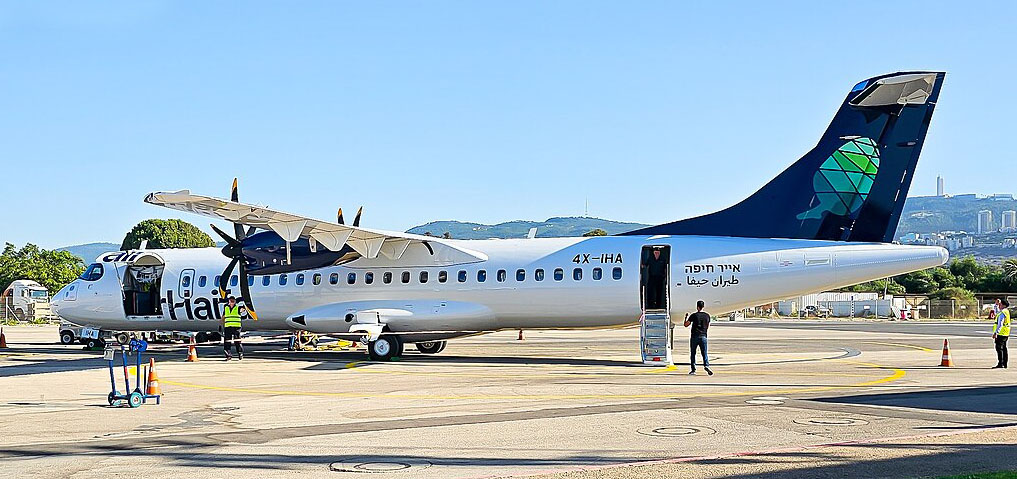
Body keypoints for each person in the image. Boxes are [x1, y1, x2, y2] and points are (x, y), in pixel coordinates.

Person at [684, 300, 713, 375]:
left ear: (697, 307)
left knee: (693, 353)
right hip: (703, 336)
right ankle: (706, 365)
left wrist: (686, 318)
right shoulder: (707, 316)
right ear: (703, 306)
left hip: (695, 336)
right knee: (704, 353)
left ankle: (693, 370)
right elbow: (707, 326)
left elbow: (686, 324)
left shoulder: (694, 315)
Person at [222, 296, 244, 360]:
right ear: (229, 301)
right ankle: (228, 355)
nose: (231, 302)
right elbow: (224, 316)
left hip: (236, 327)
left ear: (235, 302)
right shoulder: (226, 308)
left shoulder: (238, 308)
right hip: (228, 327)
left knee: (237, 341)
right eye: (230, 301)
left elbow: (243, 309)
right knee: (227, 341)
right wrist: (221, 323)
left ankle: (240, 353)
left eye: (233, 301)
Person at [993, 298, 1010, 369]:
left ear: (1003, 305)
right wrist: (995, 305)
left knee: (999, 348)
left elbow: (1000, 323)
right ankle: (1004, 363)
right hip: (1006, 332)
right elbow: (996, 312)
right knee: (1004, 348)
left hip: (1001, 333)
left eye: (1000, 304)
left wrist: (996, 333)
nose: (999, 305)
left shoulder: (1003, 312)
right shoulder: (1006, 311)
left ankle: (1001, 363)